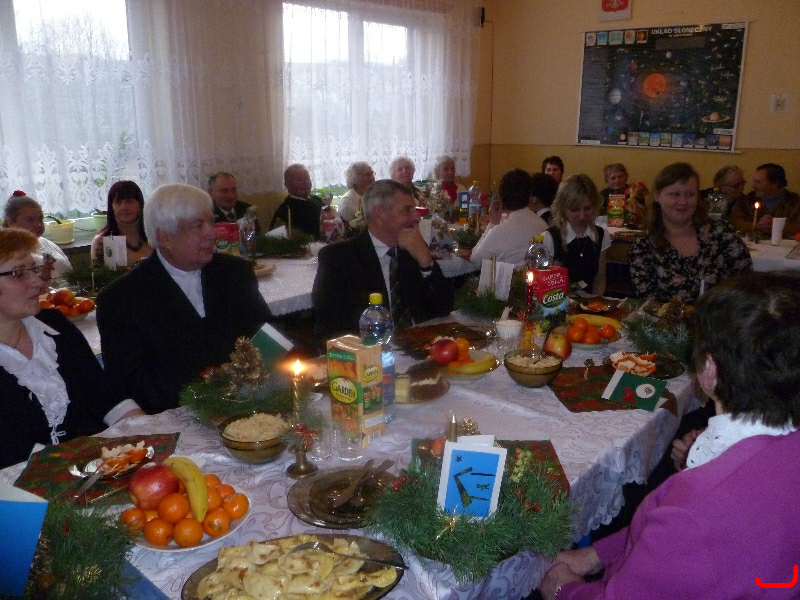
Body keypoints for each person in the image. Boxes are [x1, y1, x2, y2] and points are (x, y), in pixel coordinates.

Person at [539, 271, 800, 600]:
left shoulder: (696, 511)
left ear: (710, 370)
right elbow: (674, 543)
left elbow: (685, 532)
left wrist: (564, 589)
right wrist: (595, 555)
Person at [96, 183, 272, 413]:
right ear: (165, 237)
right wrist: (209, 397)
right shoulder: (121, 298)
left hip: (250, 402)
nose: (212, 233)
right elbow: (129, 382)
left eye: (211, 222)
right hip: (175, 415)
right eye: (198, 226)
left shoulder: (234, 273)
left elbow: (267, 333)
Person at [0, 228, 144, 469]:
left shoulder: (54, 326)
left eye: (34, 269)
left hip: (93, 470)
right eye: (19, 273)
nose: (38, 282)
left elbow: (103, 396)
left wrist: (149, 431)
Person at [312, 179, 454, 340]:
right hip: (370, 350)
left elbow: (444, 308)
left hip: (420, 344)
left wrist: (426, 262)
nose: (417, 217)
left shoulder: (413, 249)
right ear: (379, 214)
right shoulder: (339, 259)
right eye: (407, 210)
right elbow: (331, 328)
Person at [629, 162, 752, 303]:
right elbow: (649, 303)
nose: (683, 202)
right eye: (675, 194)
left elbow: (746, 284)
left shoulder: (722, 233)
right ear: (657, 197)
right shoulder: (643, 248)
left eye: (690, 194)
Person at [542, 175, 610, 295]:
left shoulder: (601, 235)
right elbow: (543, 286)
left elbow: (599, 279)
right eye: (574, 210)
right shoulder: (549, 238)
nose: (582, 216)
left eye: (587, 208)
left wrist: (595, 302)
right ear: (562, 208)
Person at [470, 169, 548, 269]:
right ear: (530, 197)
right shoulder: (543, 225)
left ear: (501, 197)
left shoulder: (500, 231)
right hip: (535, 277)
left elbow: (475, 260)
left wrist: (493, 223)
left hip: (507, 279)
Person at [2, 191, 71, 284]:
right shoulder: (6, 253)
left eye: (40, 219)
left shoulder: (46, 243)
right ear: (10, 222)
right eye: (30, 219)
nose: (38, 224)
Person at [728, 162, 800, 237]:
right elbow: (734, 221)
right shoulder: (747, 201)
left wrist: (779, 226)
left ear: (774, 184)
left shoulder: (795, 202)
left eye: (758, 182)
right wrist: (756, 226)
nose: (753, 186)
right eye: (754, 181)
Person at [91, 180, 152, 267]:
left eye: (129, 201)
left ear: (139, 205)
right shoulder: (100, 242)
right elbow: (99, 274)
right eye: (118, 202)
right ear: (112, 207)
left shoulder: (153, 235)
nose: (124, 207)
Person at [270, 164, 324, 238]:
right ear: (287, 184)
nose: (305, 183)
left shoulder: (317, 200)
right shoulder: (284, 212)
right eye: (300, 180)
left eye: (307, 178)